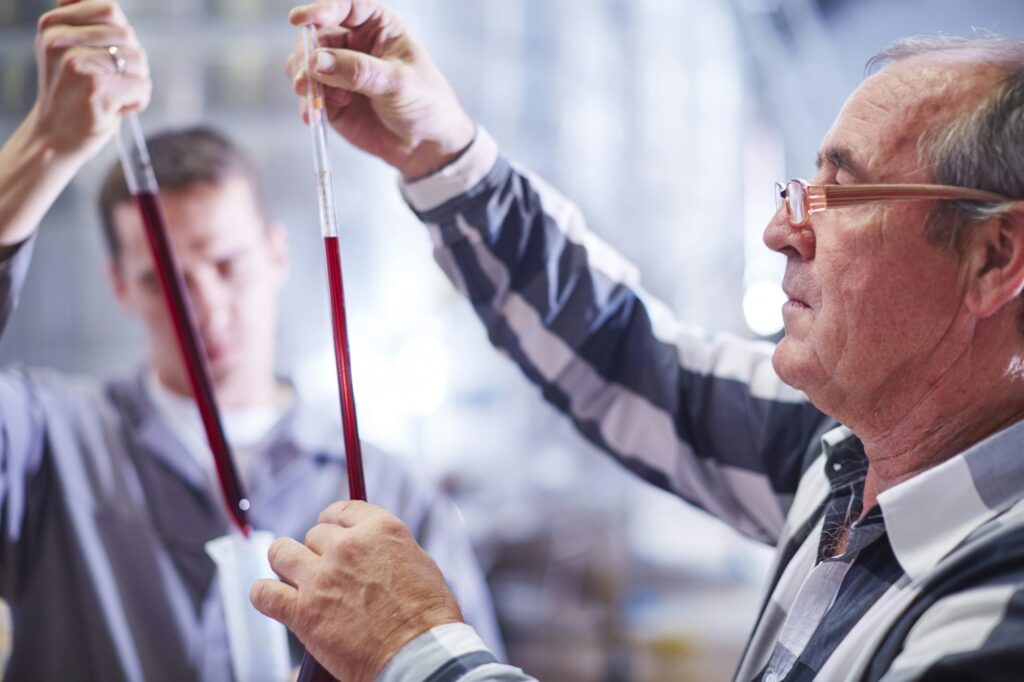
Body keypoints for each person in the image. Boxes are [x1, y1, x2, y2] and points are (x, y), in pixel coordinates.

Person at [253, 1, 1024, 681]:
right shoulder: (854, 455)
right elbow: (628, 354)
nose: (782, 230)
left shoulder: (999, 612)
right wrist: (439, 151)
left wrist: (413, 652)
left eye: (843, 193)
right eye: (800, 187)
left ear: (994, 257)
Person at [0, 2, 501, 680]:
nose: (202, 305)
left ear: (275, 254)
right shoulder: (45, 445)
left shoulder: (391, 494)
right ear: (119, 286)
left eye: (227, 265)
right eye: (163, 280)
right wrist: (44, 149)